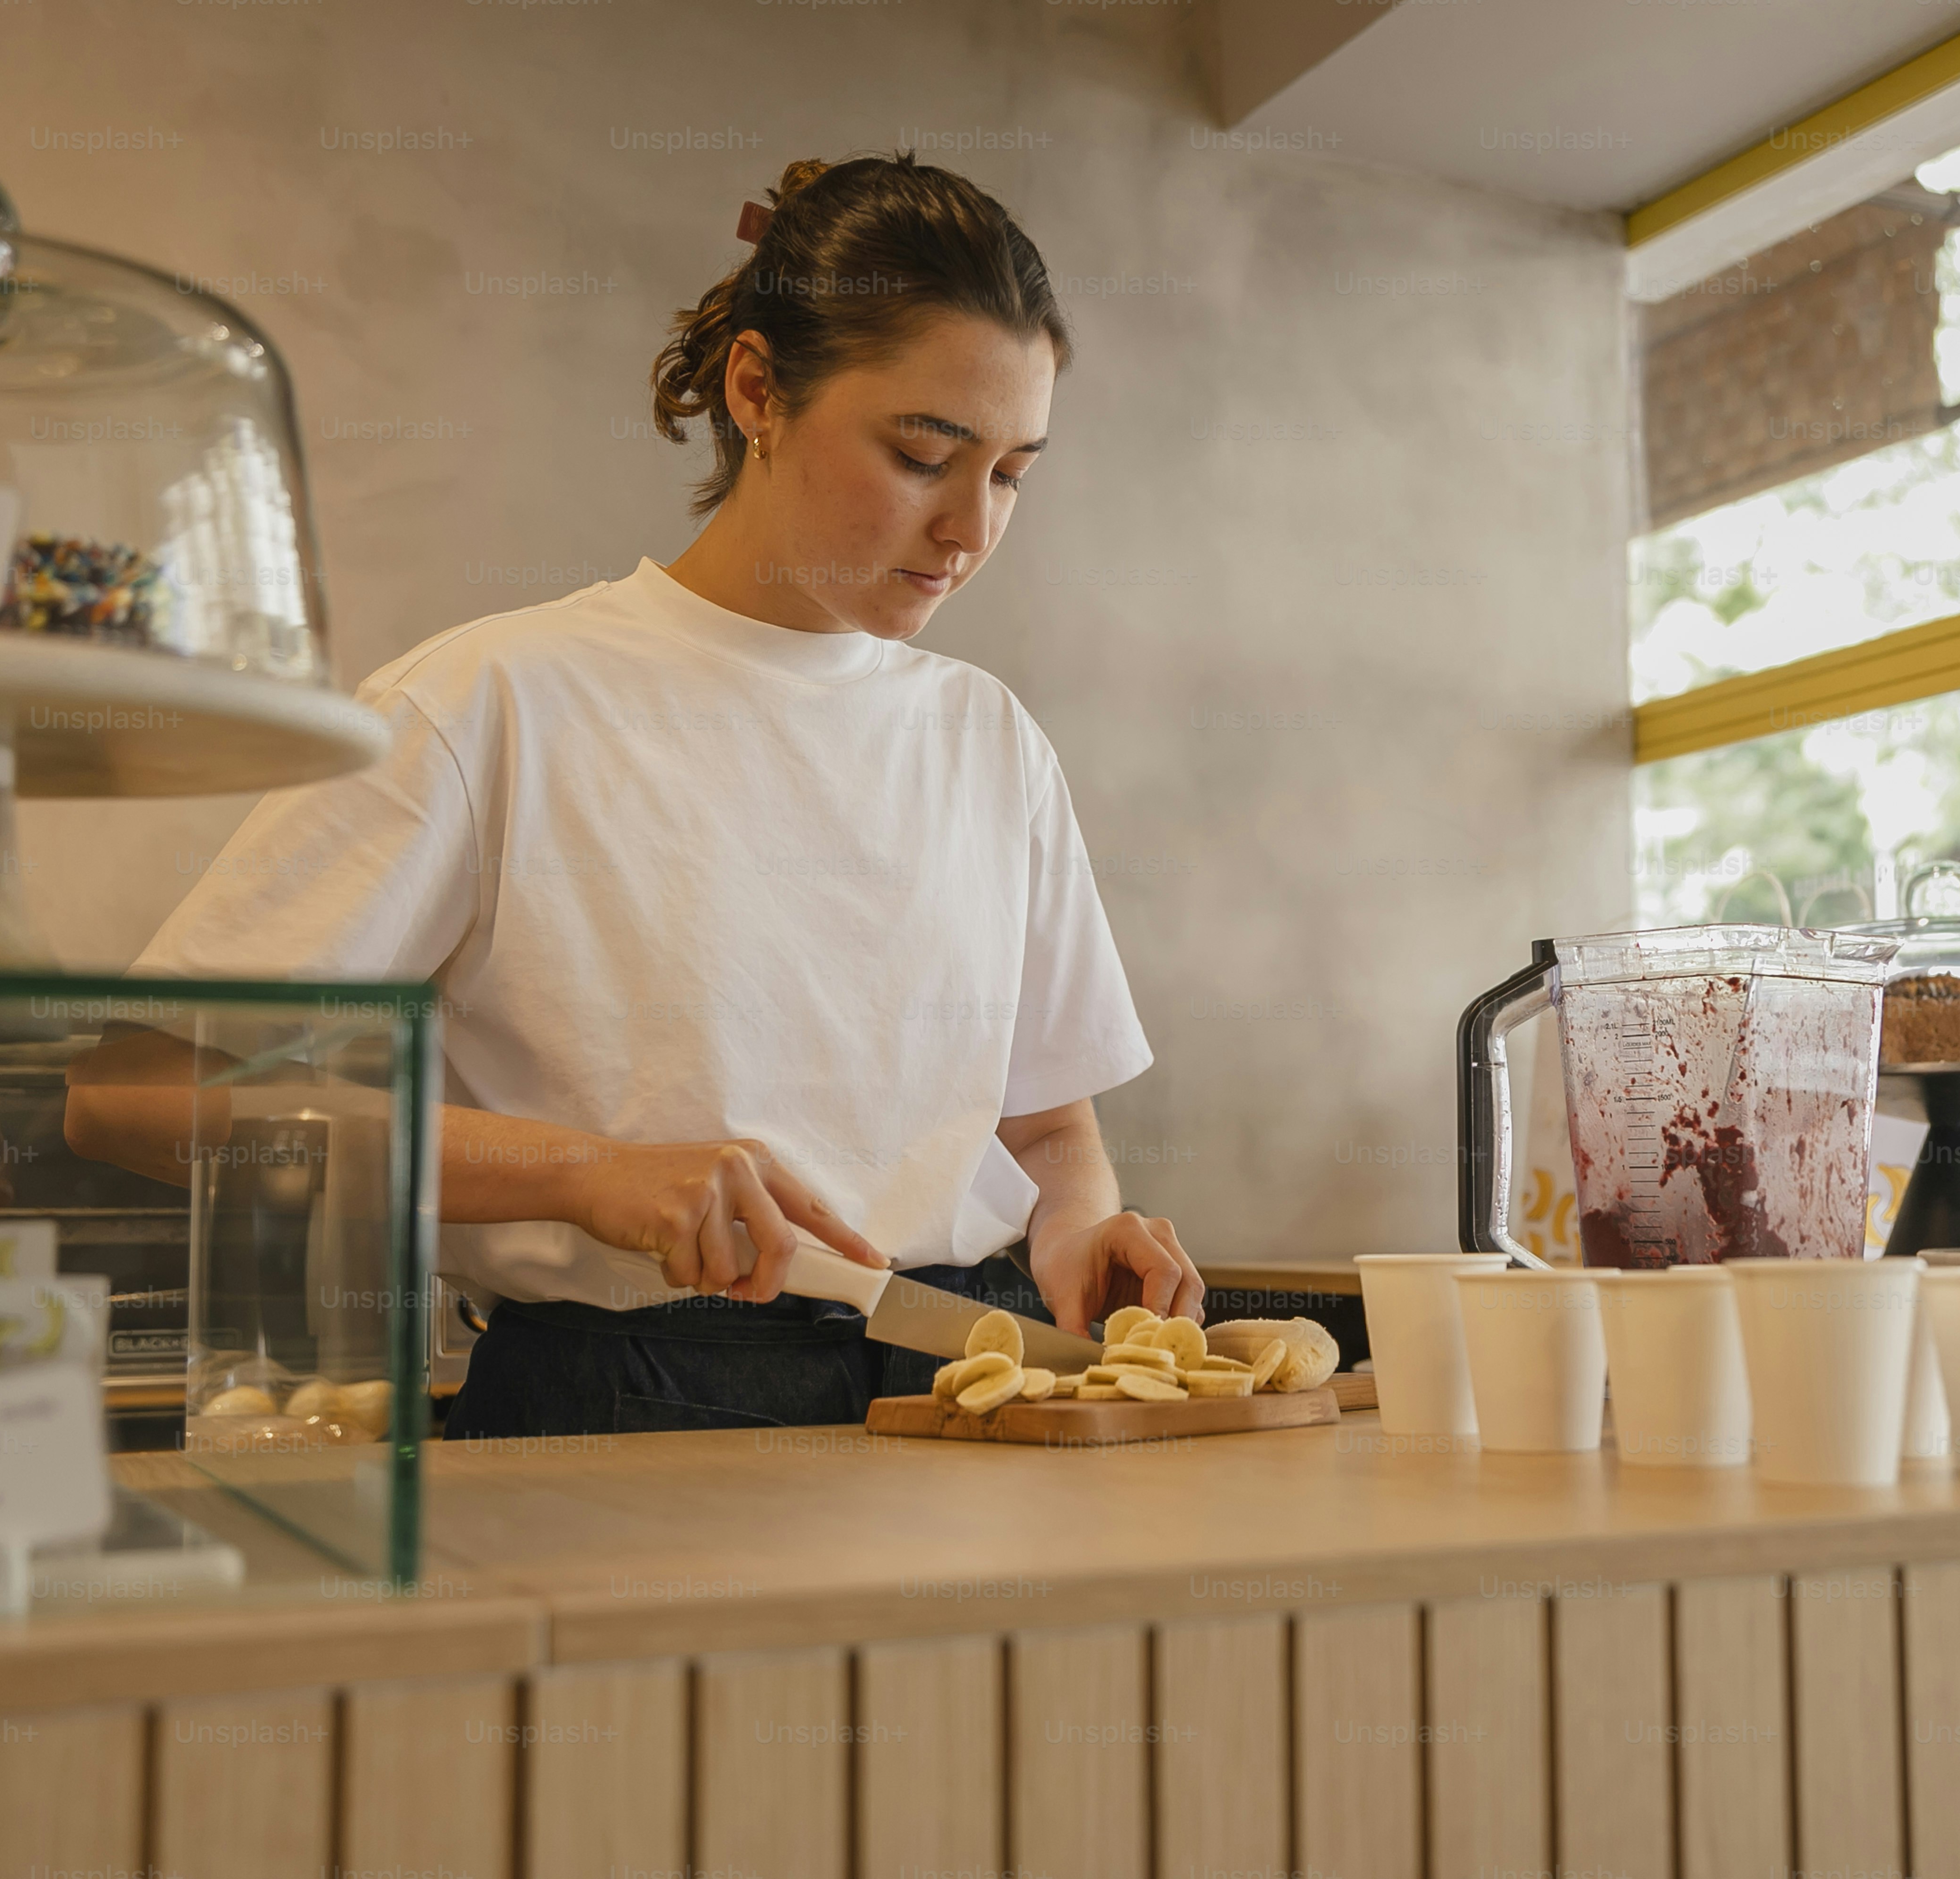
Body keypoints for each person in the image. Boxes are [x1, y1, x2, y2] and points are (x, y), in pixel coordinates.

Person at [70, 153, 1199, 1436]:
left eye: (1009, 474)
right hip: (630, 1398)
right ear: (758, 389)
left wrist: (1083, 1222)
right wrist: (580, 1172)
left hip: (966, 1390)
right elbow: (136, 1093)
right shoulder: (489, 700)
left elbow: (1048, 1127)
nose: (970, 530)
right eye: (921, 453)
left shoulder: (988, 740)